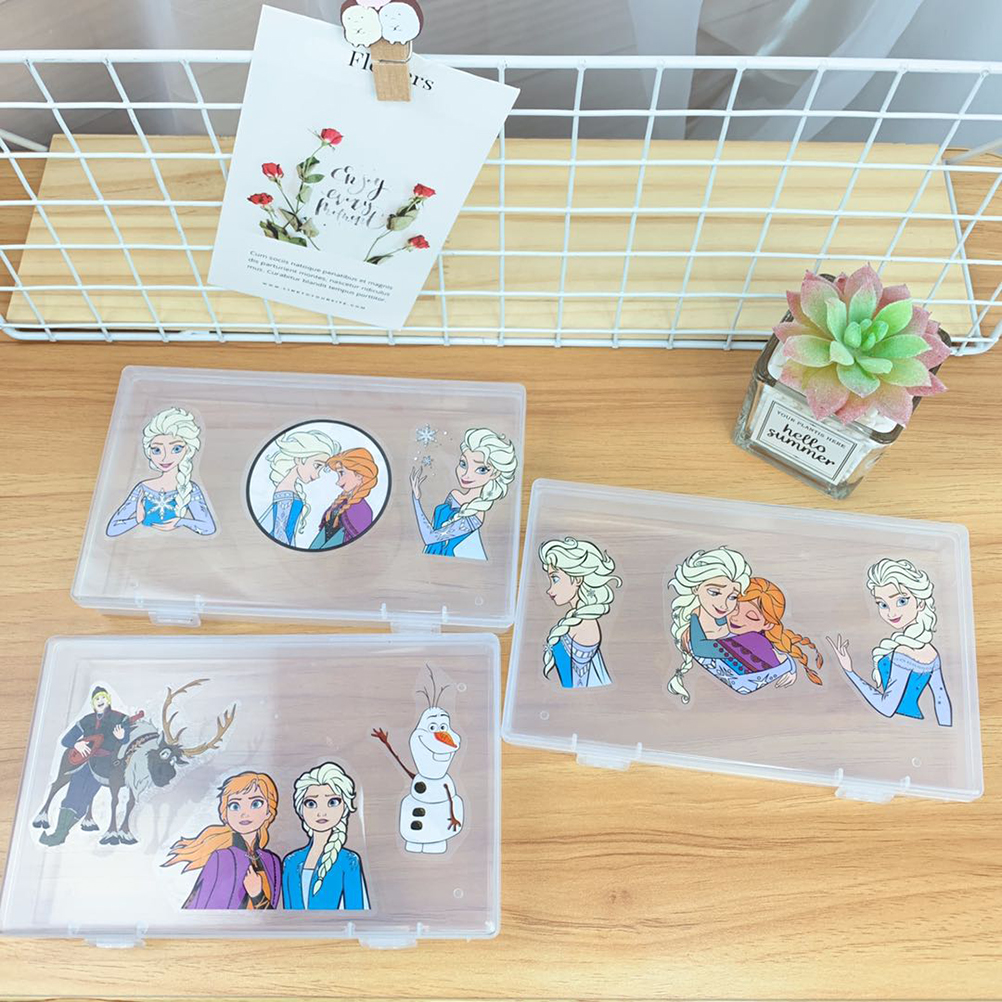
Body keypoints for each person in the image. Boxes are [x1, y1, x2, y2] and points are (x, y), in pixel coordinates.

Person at [827, 558, 952, 726]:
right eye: (883, 604)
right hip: (913, 725)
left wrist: (849, 671)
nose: (892, 613)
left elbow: (886, 707)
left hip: (897, 725)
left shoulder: (903, 652)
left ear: (921, 602)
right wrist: (945, 730)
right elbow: (941, 699)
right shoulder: (932, 653)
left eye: (902, 601)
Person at [163, 772, 282, 909]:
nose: (244, 813)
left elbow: (272, 915)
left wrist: (257, 895)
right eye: (235, 806)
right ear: (225, 815)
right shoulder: (222, 858)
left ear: (269, 811)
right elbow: (201, 908)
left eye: (256, 804)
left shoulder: (272, 861)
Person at [39, 687, 132, 846]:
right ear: (93, 703)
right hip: (83, 763)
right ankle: (58, 834)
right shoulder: (86, 720)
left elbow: (127, 740)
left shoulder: (120, 718)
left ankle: (61, 834)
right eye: (97, 699)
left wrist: (122, 737)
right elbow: (66, 740)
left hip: (103, 767)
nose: (100, 701)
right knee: (71, 797)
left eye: (103, 697)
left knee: (85, 799)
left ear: (108, 699)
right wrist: (77, 744)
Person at [410, 427, 517, 561]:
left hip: (449, 563)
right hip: (428, 557)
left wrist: (416, 500)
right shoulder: (454, 495)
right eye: (463, 464)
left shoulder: (476, 514)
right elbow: (434, 531)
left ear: (495, 473)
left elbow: (430, 537)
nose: (466, 474)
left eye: (481, 469)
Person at [106, 407, 215, 537]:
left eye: (176, 449)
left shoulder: (190, 489)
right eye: (157, 450)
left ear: (188, 449)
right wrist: (136, 520)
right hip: (140, 543)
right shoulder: (143, 488)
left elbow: (208, 528)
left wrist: (181, 521)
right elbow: (112, 529)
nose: (164, 458)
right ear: (149, 452)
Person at [282, 761, 369, 910]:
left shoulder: (349, 861)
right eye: (311, 803)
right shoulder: (291, 862)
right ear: (301, 810)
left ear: (344, 807)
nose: (321, 812)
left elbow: (357, 911)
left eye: (332, 802)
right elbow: (288, 913)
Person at [539, 537, 622, 688]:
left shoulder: (585, 625)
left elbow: (578, 681)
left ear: (577, 579)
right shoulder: (575, 619)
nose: (549, 589)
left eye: (555, 579)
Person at [261, 428, 338, 544]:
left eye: (321, 469)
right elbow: (279, 531)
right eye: (317, 466)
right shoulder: (285, 490)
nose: (317, 475)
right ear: (299, 459)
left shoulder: (289, 489)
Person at [309, 449, 379, 550]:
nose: (338, 482)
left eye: (342, 473)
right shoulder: (341, 503)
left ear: (359, 475)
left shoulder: (362, 510)